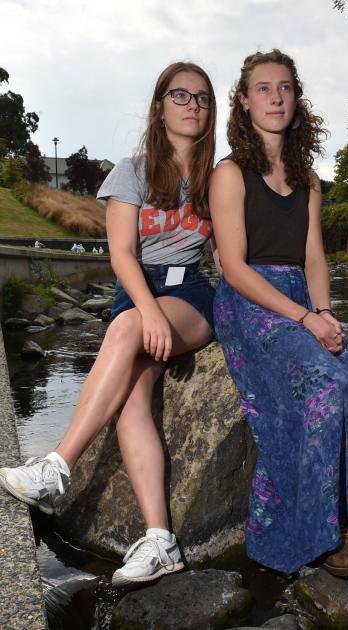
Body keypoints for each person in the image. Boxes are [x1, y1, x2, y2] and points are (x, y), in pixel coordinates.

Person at [0, 62, 217, 585]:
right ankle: (161, 540)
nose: (192, 105)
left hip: (190, 293)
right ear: (159, 105)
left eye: (203, 98)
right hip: (138, 286)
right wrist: (146, 310)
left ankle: (57, 468)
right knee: (131, 403)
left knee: (121, 332)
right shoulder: (133, 170)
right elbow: (121, 254)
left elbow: (233, 253)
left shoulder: (219, 178)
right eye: (180, 95)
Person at [210, 49, 348, 576]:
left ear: (297, 98)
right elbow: (235, 268)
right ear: (243, 102)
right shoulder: (230, 173)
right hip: (250, 299)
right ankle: (321, 536)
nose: (275, 97)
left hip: (299, 297)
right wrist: (302, 318)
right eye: (263, 88)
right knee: (325, 387)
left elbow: (314, 258)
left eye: (285, 87)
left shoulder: (309, 180)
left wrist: (324, 313)